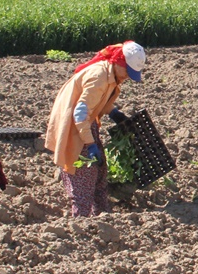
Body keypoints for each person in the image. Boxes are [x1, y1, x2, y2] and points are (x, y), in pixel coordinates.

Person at [45, 40, 146, 217]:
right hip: (75, 123)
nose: (127, 77)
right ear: (118, 62)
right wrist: (90, 145)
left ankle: (101, 216)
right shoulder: (99, 77)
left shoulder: (111, 75)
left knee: (100, 172)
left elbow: (98, 102)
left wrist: (114, 113)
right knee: (83, 173)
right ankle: (81, 221)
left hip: (85, 121)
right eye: (127, 72)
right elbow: (80, 114)